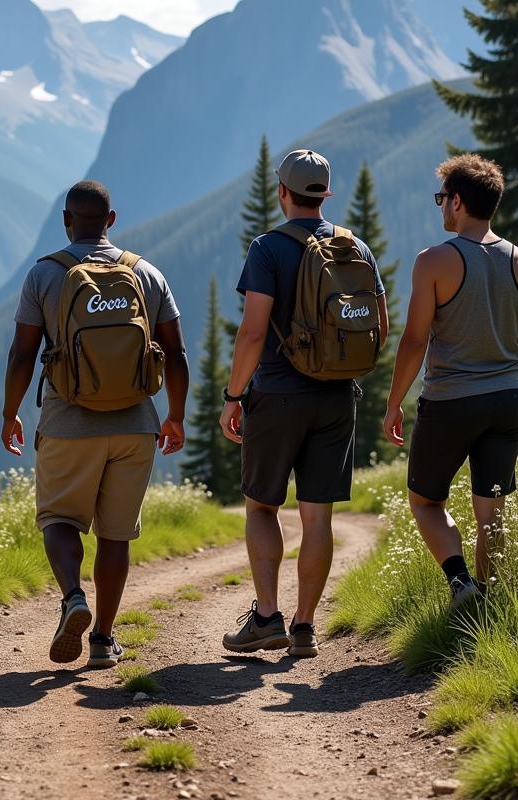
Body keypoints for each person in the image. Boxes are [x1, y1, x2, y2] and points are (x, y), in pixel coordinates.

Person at [1, 180, 189, 669]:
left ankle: (72, 598)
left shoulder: (45, 275)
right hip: (135, 424)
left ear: (67, 220)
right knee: (116, 535)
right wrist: (175, 415)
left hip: (68, 423)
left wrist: (8, 414)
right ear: (111, 220)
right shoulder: (145, 273)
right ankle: (104, 641)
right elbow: (176, 352)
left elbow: (23, 353)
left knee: (60, 520)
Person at [220, 149, 388, 658]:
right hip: (337, 395)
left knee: (262, 506)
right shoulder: (353, 246)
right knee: (318, 517)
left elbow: (252, 333)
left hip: (276, 395)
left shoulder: (268, 248)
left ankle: (267, 616)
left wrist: (232, 397)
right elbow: (378, 320)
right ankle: (305, 627)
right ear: (325, 195)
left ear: (283, 193)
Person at [384, 154, 518, 609]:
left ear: (457, 202)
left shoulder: (434, 261)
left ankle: (461, 585)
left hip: (450, 401)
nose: (440, 207)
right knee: (490, 513)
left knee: (425, 502)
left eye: (442, 199)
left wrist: (394, 402)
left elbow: (415, 341)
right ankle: (489, 605)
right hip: (508, 400)